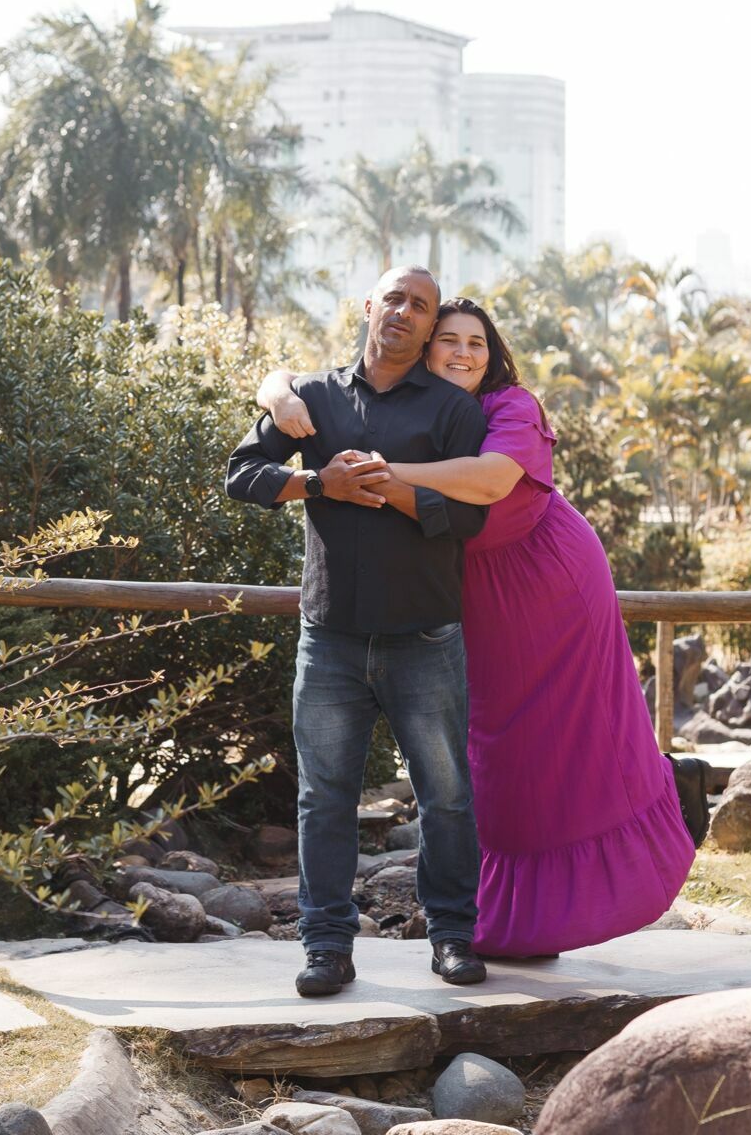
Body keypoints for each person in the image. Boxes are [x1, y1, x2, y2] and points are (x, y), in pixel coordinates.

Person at [258, 297, 696, 958]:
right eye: (449, 340)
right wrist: (275, 389)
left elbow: (491, 483)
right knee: (490, 756)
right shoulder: (410, 404)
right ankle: (500, 918)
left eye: (478, 344)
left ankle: (651, 815)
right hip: (471, 594)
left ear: (493, 359)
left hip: (552, 584)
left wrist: (380, 471)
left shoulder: (510, 407)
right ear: (424, 346)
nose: (463, 353)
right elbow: (302, 380)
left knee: (564, 742)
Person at [225, 266, 492, 997]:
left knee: (446, 797)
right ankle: (326, 948)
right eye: (395, 299)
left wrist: (396, 492)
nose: (404, 312)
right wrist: (320, 483)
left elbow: (470, 519)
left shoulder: (451, 411)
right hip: (331, 639)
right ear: (369, 307)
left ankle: (454, 938)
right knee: (323, 798)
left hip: (426, 640)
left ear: (430, 325)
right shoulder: (310, 399)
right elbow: (241, 474)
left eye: (421, 306)